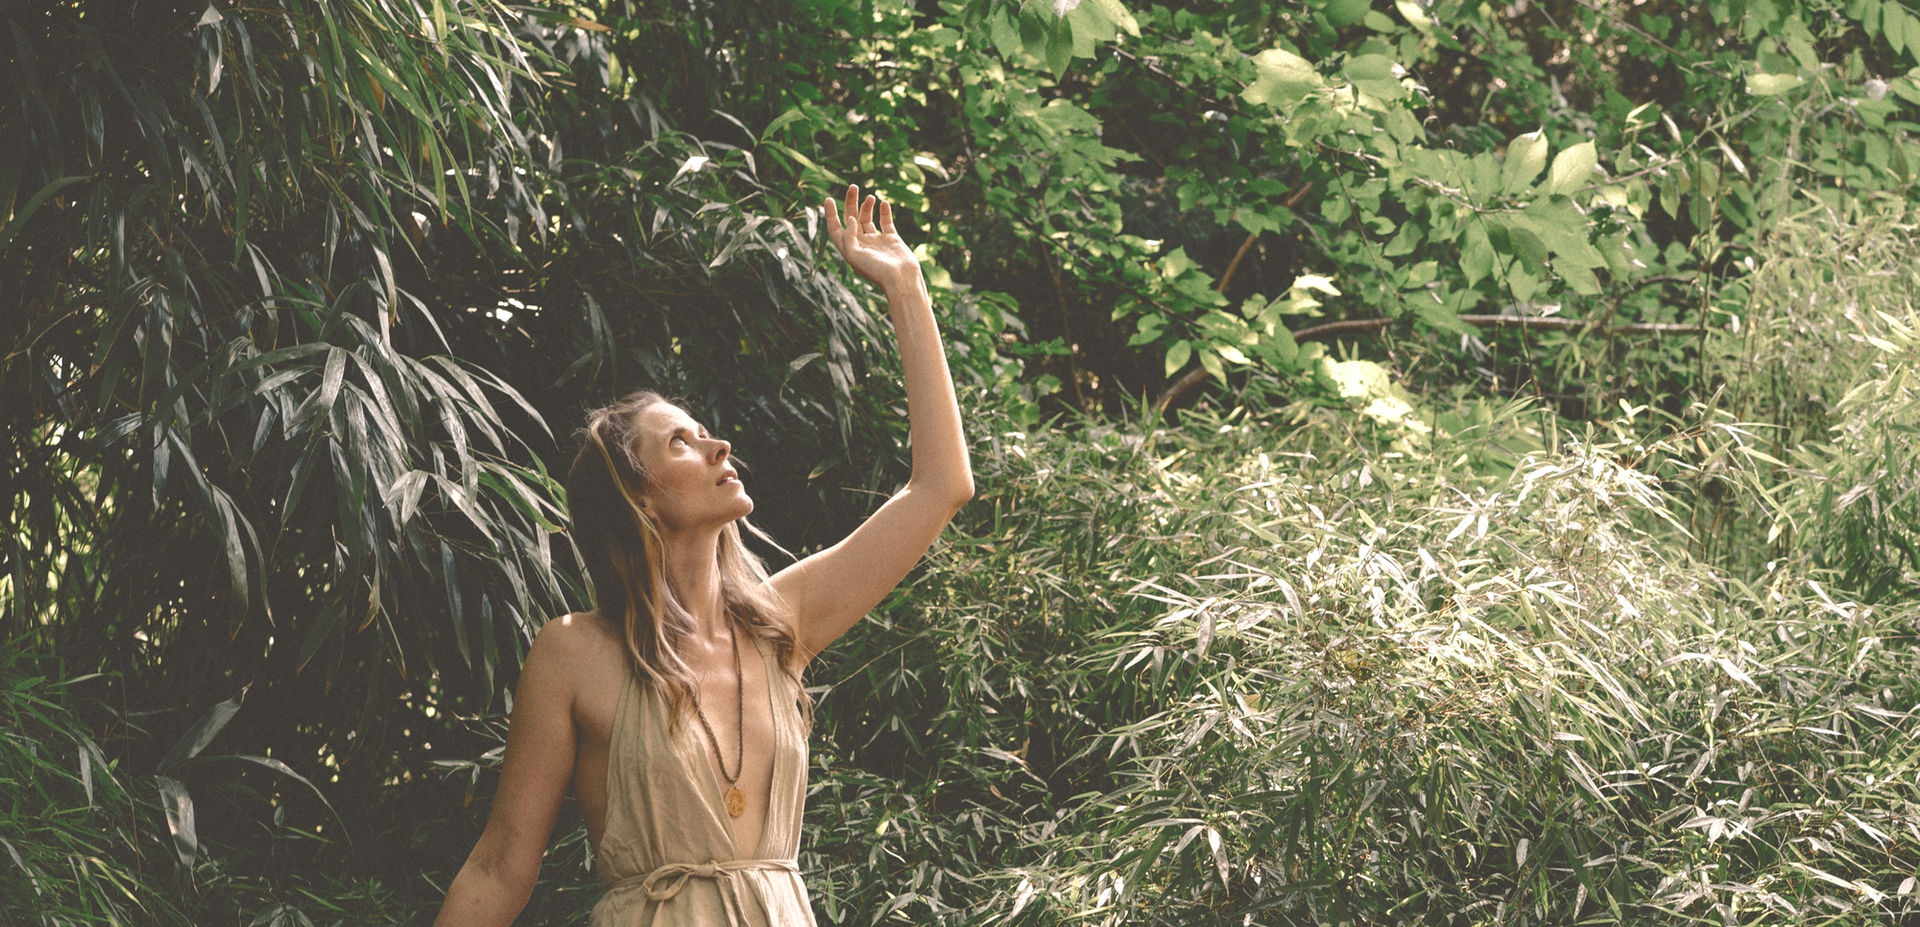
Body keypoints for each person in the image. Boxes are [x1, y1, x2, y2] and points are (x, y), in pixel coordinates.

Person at [432, 184, 974, 926]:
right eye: (679, 442)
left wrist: (906, 287)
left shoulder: (783, 624)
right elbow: (498, 869)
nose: (718, 444)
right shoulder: (574, 654)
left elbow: (941, 485)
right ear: (640, 497)